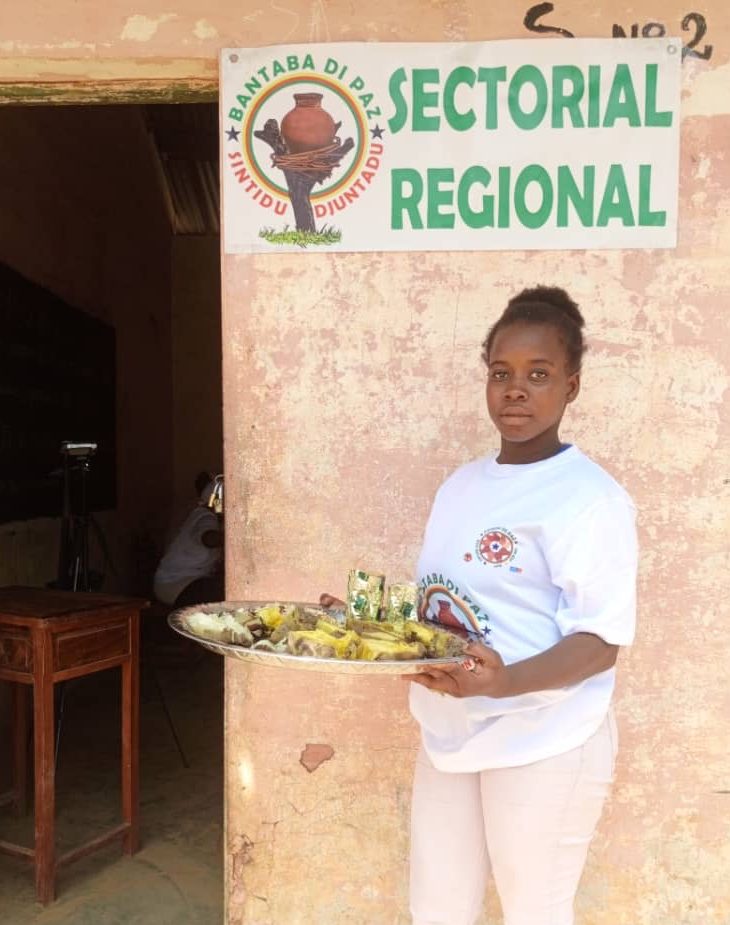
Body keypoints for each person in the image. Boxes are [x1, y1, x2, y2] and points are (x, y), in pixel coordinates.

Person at [402, 286, 638, 925]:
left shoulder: (589, 499)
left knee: (534, 913)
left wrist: (503, 683)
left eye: (538, 375)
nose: (515, 391)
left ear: (571, 386)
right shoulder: (460, 487)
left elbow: (601, 640)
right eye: (501, 374)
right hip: (450, 732)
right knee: (437, 911)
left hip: (544, 737)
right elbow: (443, 607)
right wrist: (367, 627)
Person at [153, 471, 224, 608]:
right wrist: (234, 540)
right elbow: (208, 538)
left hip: (178, 581)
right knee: (222, 593)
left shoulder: (200, 514)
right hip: (176, 583)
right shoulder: (205, 516)